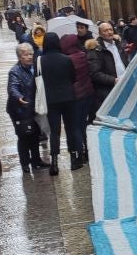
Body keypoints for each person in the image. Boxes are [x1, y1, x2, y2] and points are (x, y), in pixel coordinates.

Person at [39, 31, 83, 175]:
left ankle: (54, 162)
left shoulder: (40, 61)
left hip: (51, 100)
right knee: (72, 128)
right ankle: (75, 159)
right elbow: (73, 78)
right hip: (69, 98)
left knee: (54, 131)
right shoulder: (66, 59)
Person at [6, 43, 46, 174]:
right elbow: (12, 87)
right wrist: (19, 97)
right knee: (24, 135)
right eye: (26, 55)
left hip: (33, 107)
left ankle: (36, 160)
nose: (29, 57)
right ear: (19, 57)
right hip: (19, 109)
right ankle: (25, 163)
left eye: (31, 54)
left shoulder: (35, 67)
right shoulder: (15, 71)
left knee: (35, 134)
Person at [61, 33, 95, 160]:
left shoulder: (66, 59)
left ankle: (80, 151)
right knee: (84, 123)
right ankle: (88, 149)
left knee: (75, 125)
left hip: (75, 96)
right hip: (88, 93)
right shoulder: (83, 55)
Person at [86, 20, 126, 113]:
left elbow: (125, 63)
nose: (109, 32)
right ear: (100, 33)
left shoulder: (118, 44)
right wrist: (113, 80)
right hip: (108, 90)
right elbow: (95, 73)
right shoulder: (96, 49)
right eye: (105, 30)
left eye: (110, 29)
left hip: (124, 86)